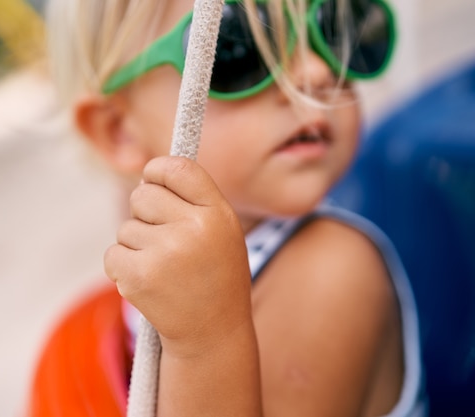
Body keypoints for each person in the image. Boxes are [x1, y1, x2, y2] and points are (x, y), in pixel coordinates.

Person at [30, 0, 428, 416]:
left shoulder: (332, 270)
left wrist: (205, 345)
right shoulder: (143, 300)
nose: (317, 72)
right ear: (119, 132)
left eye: (333, 24)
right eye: (237, 44)